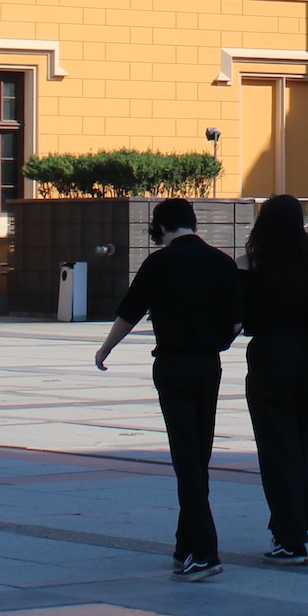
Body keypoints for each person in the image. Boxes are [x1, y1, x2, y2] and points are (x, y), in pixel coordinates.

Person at [94, 196, 243, 578]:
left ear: (160, 228)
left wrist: (105, 348)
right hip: (210, 365)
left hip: (173, 365)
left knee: (185, 457)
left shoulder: (159, 263)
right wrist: (217, 341)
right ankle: (185, 546)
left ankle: (205, 553)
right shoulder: (221, 262)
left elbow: (130, 312)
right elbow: (238, 321)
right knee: (200, 452)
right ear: (193, 222)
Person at [237, 194, 308, 565]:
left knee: (276, 449)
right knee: (298, 444)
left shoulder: (251, 270)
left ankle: (290, 537)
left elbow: (236, 318)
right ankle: (292, 524)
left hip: (270, 358)